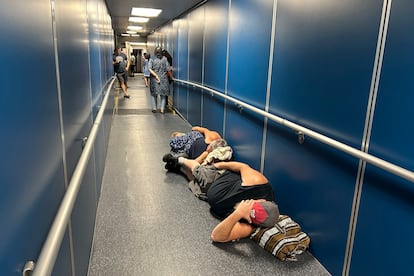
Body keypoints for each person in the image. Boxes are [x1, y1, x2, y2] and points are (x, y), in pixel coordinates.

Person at [162, 156, 279, 242]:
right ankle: (180, 160)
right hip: (218, 179)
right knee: (199, 171)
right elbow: (242, 167)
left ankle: (178, 168)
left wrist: (238, 213)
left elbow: (216, 237)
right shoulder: (258, 183)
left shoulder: (249, 226)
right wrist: (218, 165)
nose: (246, 206)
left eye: (249, 213)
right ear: (261, 201)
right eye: (250, 205)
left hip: (208, 196)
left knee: (192, 181)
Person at [148, 47, 170, 113]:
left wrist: (156, 75)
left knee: (154, 93)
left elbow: (149, 68)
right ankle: (162, 109)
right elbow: (168, 69)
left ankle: (154, 108)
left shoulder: (152, 58)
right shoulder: (165, 59)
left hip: (154, 78)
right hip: (164, 78)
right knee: (163, 94)